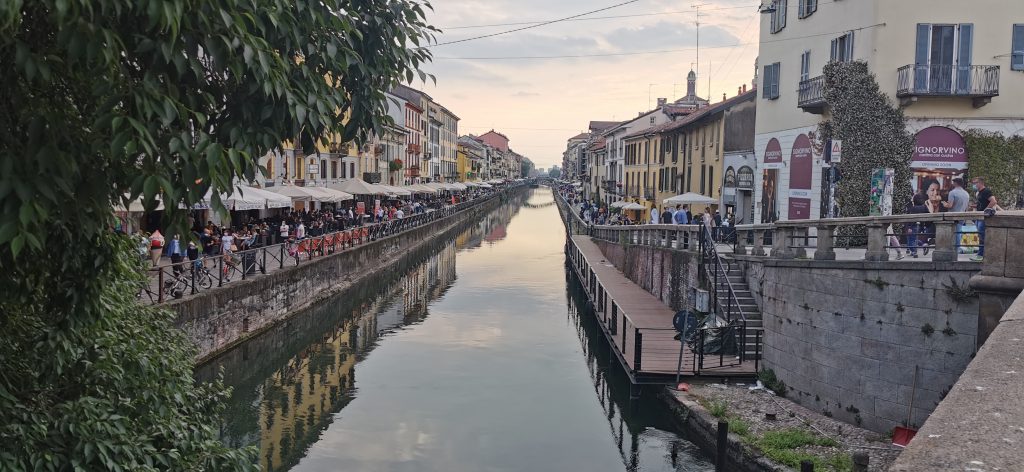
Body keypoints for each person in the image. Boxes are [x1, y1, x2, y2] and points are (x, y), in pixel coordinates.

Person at [971, 177, 1000, 261]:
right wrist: (974, 206)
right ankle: (980, 254)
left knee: (982, 236)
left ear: (980, 183)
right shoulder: (979, 192)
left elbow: (993, 201)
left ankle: (981, 255)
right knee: (980, 236)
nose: (974, 185)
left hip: (983, 217)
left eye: (975, 183)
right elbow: (982, 202)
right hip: (979, 216)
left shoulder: (986, 191)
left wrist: (985, 210)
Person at [906, 194, 930, 258]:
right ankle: (924, 245)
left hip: (913, 226)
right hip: (921, 225)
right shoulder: (924, 207)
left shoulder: (913, 208)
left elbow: (910, 218)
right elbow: (928, 215)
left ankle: (914, 252)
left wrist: (909, 227)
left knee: (911, 239)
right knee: (915, 238)